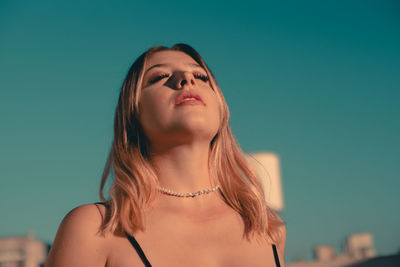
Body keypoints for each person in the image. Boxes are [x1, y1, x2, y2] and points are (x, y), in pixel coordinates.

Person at [45, 44, 286, 267]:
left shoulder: (269, 228)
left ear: (221, 109)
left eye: (201, 77)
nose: (187, 79)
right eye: (159, 77)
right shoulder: (95, 227)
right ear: (133, 113)